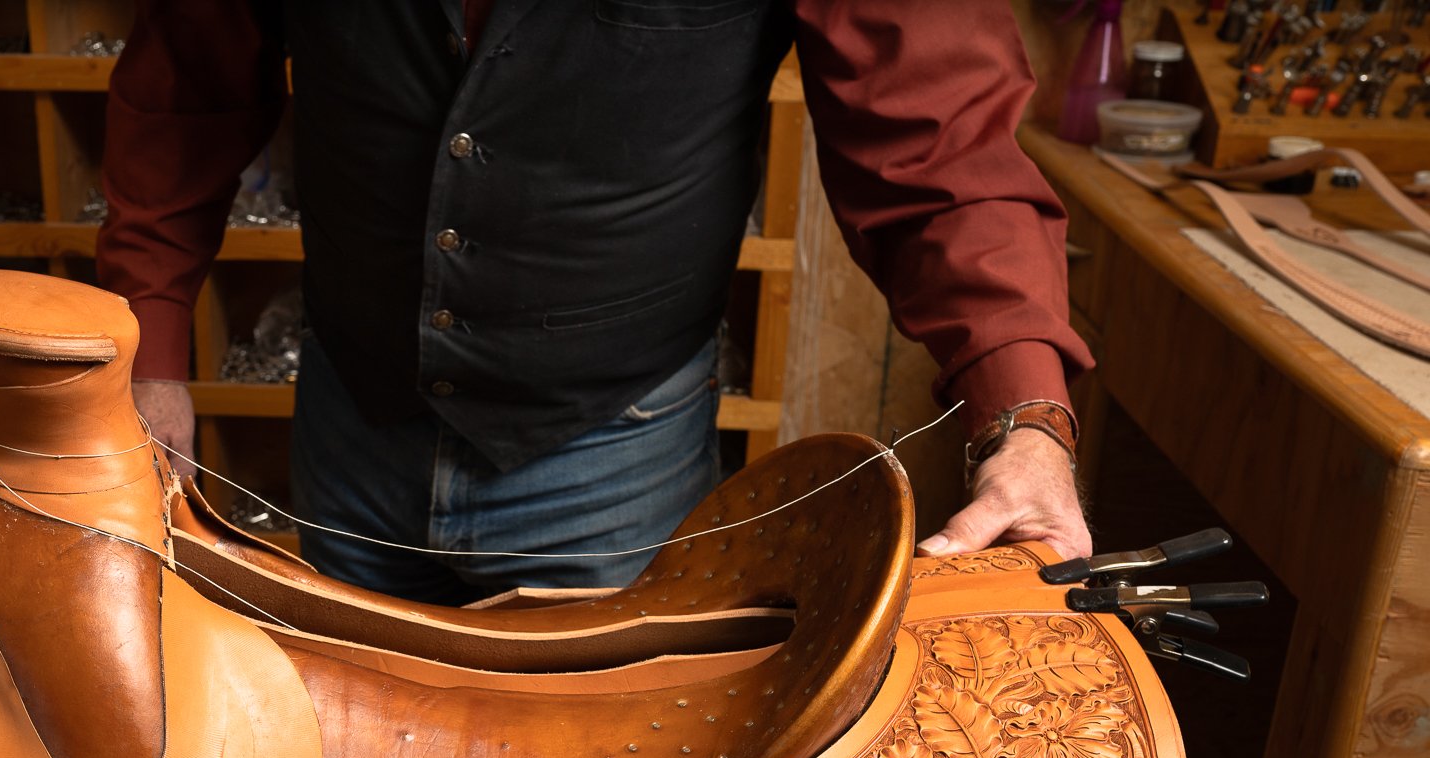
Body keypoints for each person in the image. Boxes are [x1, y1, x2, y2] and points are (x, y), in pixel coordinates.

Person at [97, 1, 1093, 604]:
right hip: (350, 421)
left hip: (612, 452)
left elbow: (941, 145)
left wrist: (1024, 417)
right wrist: (147, 344)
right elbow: (188, 78)